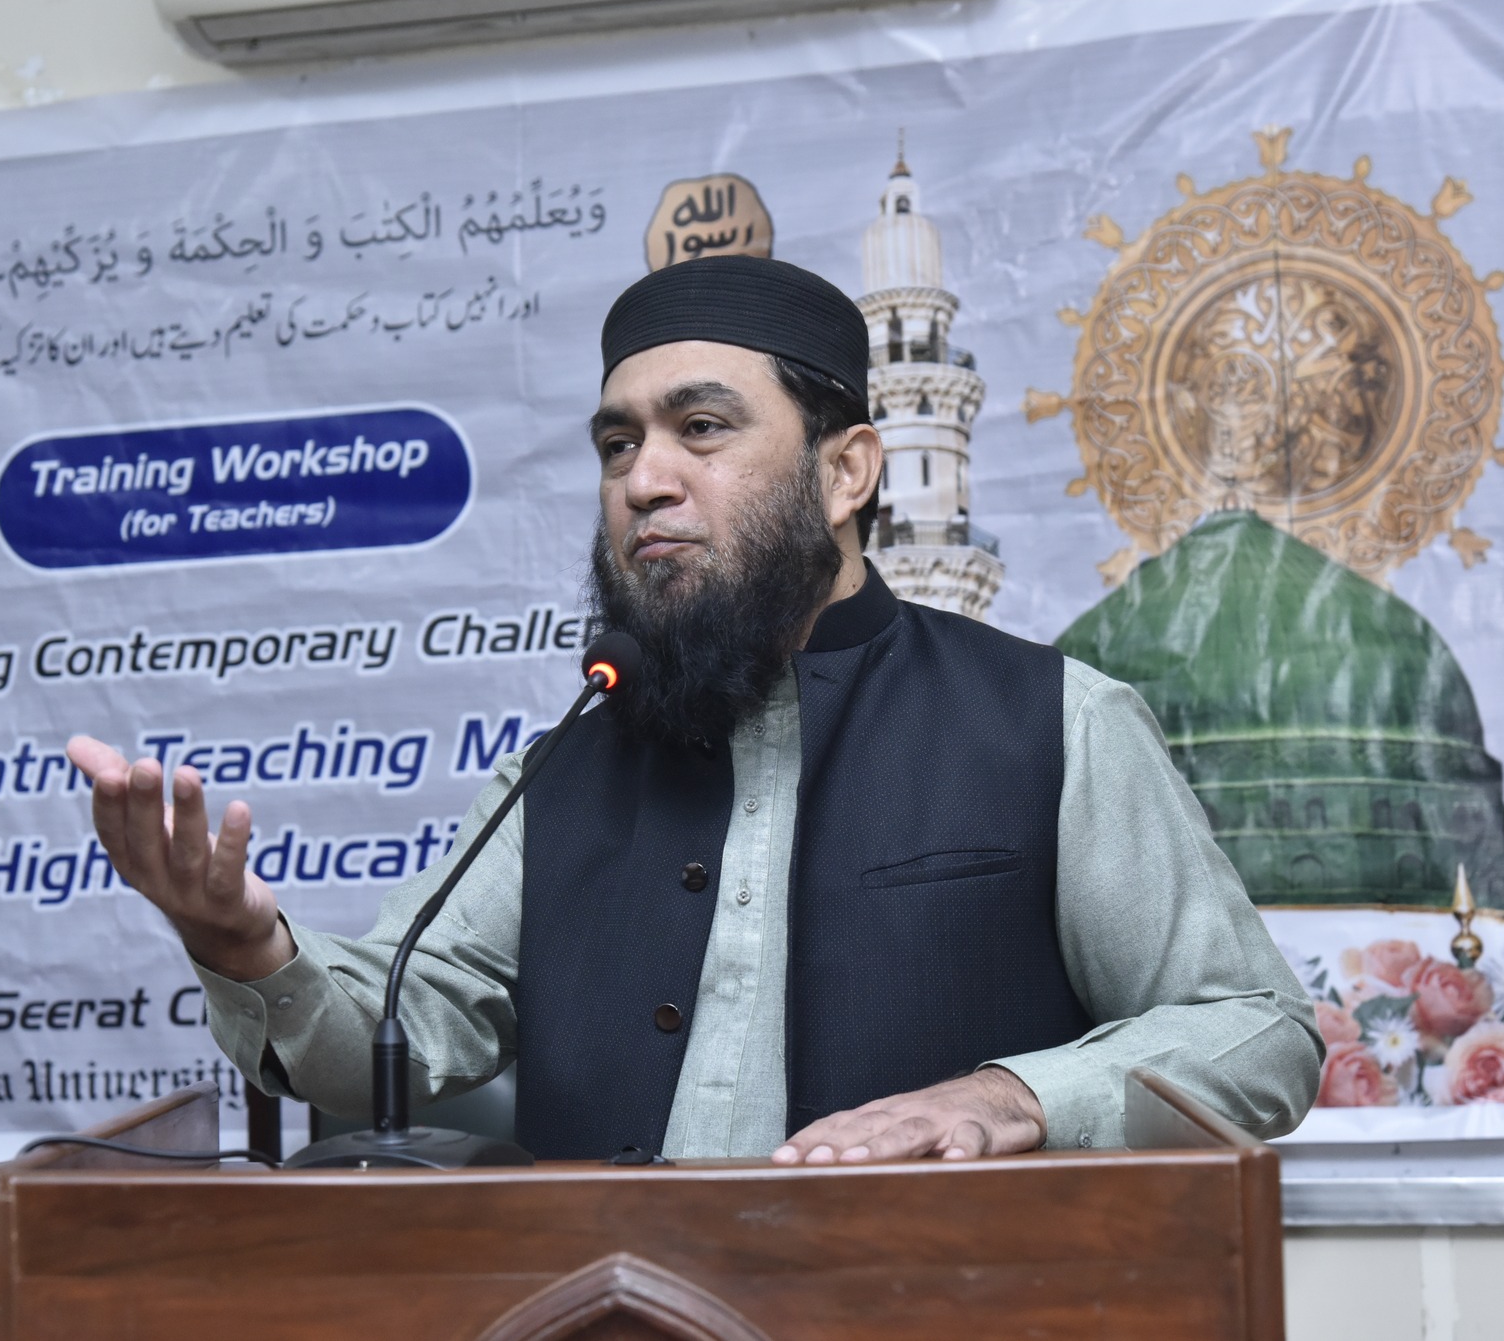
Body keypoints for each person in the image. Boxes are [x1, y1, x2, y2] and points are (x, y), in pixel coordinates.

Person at [66, 255, 1323, 1165]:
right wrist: (245, 946)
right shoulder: (568, 763)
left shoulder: (1049, 722)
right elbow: (400, 1038)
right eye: (617, 445)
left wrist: (1011, 1099)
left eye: (701, 429)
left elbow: (1258, 1034)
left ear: (845, 471)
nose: (643, 481)